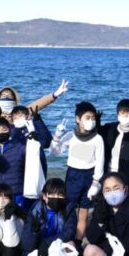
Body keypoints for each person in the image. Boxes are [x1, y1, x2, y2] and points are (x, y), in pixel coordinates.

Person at [50, 101, 105, 240]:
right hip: (73, 175)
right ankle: (63, 237)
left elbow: (100, 161)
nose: (90, 121)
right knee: (68, 208)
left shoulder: (98, 139)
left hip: (89, 176)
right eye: (87, 118)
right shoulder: (70, 135)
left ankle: (78, 241)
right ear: (78, 119)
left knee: (84, 212)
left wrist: (96, 182)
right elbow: (55, 152)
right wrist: (57, 136)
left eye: (93, 118)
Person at [21, 178, 79, 256]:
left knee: (71, 245)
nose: (56, 198)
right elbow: (26, 245)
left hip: (55, 248)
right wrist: (34, 231)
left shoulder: (69, 209)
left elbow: (69, 232)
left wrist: (48, 242)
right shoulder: (35, 211)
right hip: (36, 250)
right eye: (52, 194)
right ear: (44, 196)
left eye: (60, 195)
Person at [99, 98, 129, 194]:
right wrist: (96, 122)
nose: (126, 115)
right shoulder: (109, 128)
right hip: (108, 173)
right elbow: (94, 135)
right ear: (118, 113)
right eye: (123, 112)